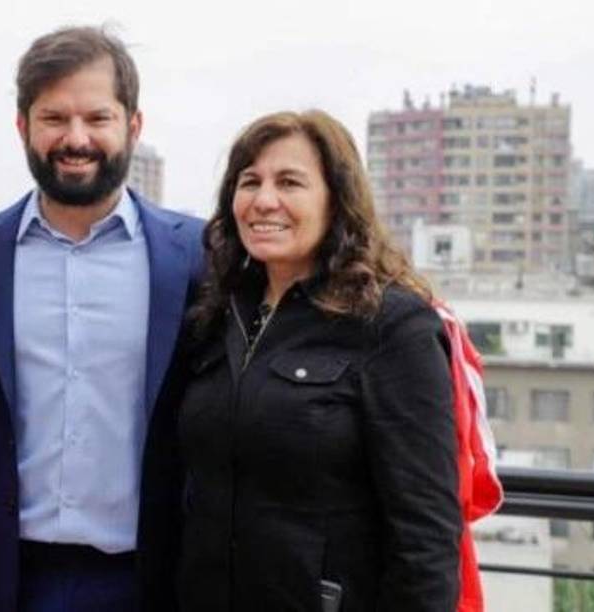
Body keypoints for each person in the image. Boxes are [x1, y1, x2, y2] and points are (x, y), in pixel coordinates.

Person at [0, 25, 204, 612]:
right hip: (8, 578)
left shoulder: (197, 256)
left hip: (155, 578)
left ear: (133, 126)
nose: (76, 138)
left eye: (97, 118)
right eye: (54, 118)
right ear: (23, 128)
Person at [177, 110, 462, 611]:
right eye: (250, 182)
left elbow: (426, 538)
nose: (265, 200)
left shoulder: (392, 326)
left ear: (337, 199)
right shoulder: (216, 316)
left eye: (290, 182)